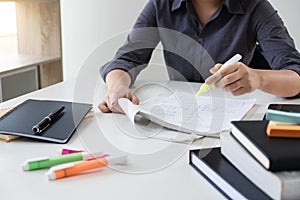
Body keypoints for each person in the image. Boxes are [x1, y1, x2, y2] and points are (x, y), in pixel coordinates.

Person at [98, 0, 300, 113]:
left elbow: (295, 74)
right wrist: (117, 88)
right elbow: (127, 59)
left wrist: (257, 78)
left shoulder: (255, 7)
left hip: (231, 120)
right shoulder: (161, 4)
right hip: (178, 118)